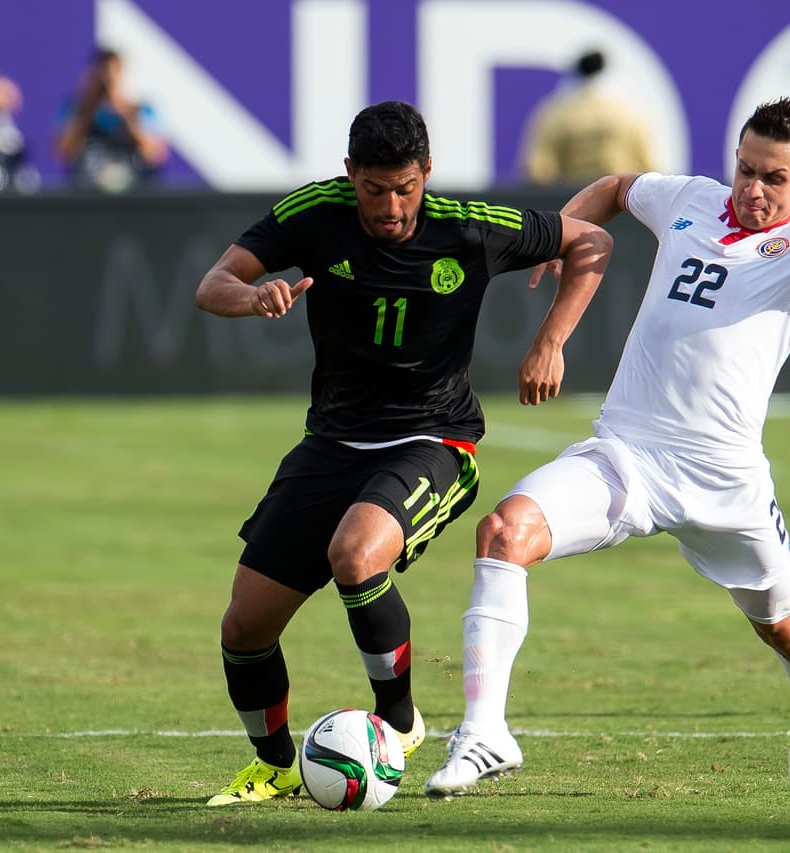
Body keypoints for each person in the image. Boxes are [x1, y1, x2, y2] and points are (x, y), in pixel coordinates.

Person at [424, 93, 790, 799]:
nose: (753, 188)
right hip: (628, 456)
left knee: (783, 628)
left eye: (774, 177)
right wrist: (569, 232)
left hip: (726, 482)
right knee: (504, 530)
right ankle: (484, 731)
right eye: (746, 168)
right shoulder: (689, 200)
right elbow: (619, 187)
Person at [194, 100, 612, 807]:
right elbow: (214, 286)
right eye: (374, 188)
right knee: (244, 626)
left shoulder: (468, 227)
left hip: (434, 440)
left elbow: (591, 240)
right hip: (331, 442)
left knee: (356, 556)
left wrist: (550, 341)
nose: (391, 206)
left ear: (427, 174)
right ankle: (274, 766)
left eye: (405, 188)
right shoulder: (314, 212)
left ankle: (399, 720)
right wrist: (254, 296)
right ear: (350, 173)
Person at [519, 49, 658, 185]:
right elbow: (647, 164)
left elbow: (538, 169)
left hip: (574, 202)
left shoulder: (556, 113)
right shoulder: (627, 112)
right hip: (620, 199)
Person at [53, 47, 169, 192]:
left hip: (133, 192)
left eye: (114, 72)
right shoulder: (75, 109)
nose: (109, 79)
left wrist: (128, 118)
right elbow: (62, 152)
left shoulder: (142, 110)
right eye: (103, 72)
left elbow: (156, 155)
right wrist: (88, 111)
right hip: (88, 192)